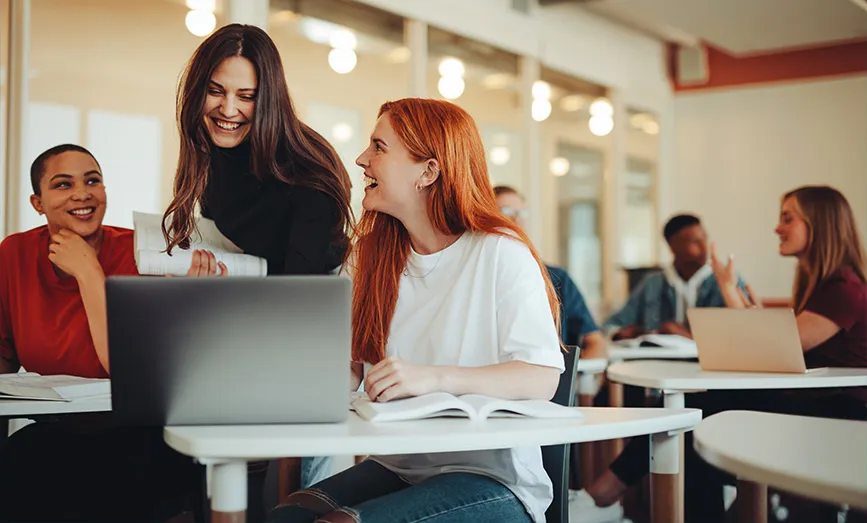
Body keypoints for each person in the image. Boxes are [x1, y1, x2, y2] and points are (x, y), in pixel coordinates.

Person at [267, 98, 564, 523]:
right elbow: (352, 370)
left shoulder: (501, 252)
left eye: (379, 147)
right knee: (284, 517)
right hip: (397, 466)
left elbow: (541, 376)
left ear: (428, 171)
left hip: (493, 480)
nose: (361, 159)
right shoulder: (370, 258)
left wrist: (433, 378)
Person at [574, 186, 867, 523]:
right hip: (814, 402)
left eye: (788, 218)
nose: (777, 228)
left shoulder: (843, 288)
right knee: (695, 422)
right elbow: (773, 344)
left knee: (696, 413)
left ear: (821, 224)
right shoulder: (823, 287)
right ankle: (604, 497)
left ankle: (602, 496)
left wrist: (730, 293)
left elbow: (777, 347)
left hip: (838, 415)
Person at [160, 23, 355, 510]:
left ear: (269, 98)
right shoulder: (211, 155)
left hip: (315, 334)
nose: (228, 110)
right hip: (254, 323)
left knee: (300, 494)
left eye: (245, 96)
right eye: (215, 91)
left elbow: (301, 297)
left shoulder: (307, 167)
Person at [0, 144, 205, 522]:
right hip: (58, 434)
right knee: (19, 461)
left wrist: (89, 273)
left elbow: (128, 371)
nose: (83, 193)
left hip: (140, 434)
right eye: (63, 184)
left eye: (92, 180)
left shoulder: (145, 254)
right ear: (37, 202)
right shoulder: (13, 254)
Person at [493, 185, 606, 359]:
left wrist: (573, 378)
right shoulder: (478, 277)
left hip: (552, 380)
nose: (516, 219)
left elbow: (596, 341)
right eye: (506, 211)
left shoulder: (557, 278)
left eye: (522, 213)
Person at [603, 213, 750, 340]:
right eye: (695, 242)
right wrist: (621, 333)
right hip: (657, 367)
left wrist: (683, 334)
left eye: (704, 239)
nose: (704, 247)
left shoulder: (727, 281)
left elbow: (743, 336)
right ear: (672, 247)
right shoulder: (652, 284)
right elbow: (610, 326)